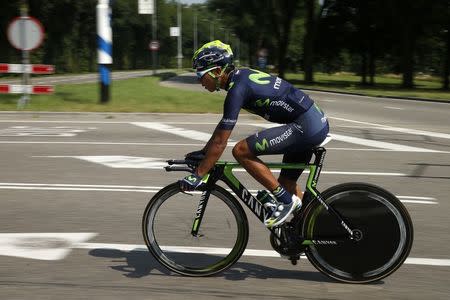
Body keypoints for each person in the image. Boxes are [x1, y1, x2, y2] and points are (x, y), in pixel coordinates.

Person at [179, 40, 329, 228]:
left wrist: (198, 174)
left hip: (305, 126)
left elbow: (221, 143)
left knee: (241, 150)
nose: (199, 81)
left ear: (217, 71)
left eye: (201, 75)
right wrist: (204, 152)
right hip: (310, 122)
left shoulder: (237, 89)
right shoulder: (240, 79)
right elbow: (222, 128)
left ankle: (285, 202)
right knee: (284, 184)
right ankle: (305, 231)